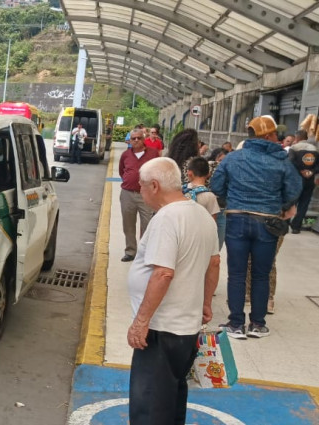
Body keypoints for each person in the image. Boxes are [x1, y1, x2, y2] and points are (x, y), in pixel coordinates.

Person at [126, 157, 220, 425]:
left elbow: (163, 273)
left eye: (141, 186)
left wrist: (141, 321)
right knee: (172, 399)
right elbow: (214, 263)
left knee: (150, 406)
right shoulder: (202, 215)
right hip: (185, 328)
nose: (140, 191)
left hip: (162, 329)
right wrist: (205, 303)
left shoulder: (167, 218)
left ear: (154, 186)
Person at [210, 116, 301, 339]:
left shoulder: (233, 158)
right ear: (268, 136)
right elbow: (294, 189)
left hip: (236, 219)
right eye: (275, 134)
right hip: (268, 221)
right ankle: (257, 324)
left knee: (237, 274)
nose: (278, 138)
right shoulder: (281, 160)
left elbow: (216, 185)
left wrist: (233, 198)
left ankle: (235, 324)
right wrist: (280, 205)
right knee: (261, 274)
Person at [118, 128, 160, 262]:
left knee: (147, 224)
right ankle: (130, 251)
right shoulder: (125, 155)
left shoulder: (153, 153)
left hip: (146, 195)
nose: (136, 140)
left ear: (144, 139)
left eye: (139, 138)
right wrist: (130, 181)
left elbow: (159, 171)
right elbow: (121, 171)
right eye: (133, 138)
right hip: (128, 194)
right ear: (129, 140)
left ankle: (144, 253)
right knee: (128, 224)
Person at [288, 137, 318, 233]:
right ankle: (296, 227)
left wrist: (301, 170)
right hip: (309, 180)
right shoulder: (316, 150)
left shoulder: (294, 148)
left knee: (291, 202)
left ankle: (285, 223)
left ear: (298, 138)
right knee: (304, 204)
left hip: (295, 179)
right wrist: (311, 172)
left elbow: (290, 161)